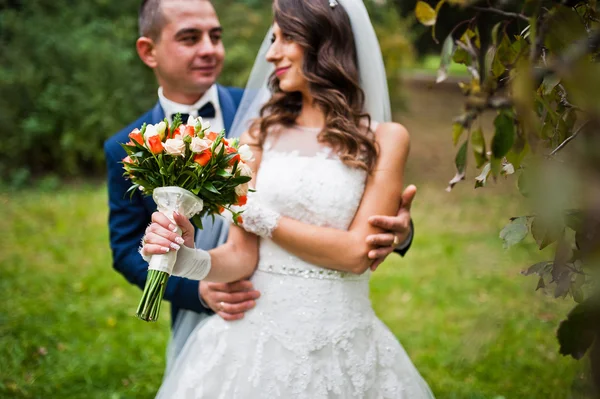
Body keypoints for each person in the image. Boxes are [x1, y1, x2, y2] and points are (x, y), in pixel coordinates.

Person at [142, 0, 433, 397]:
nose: (271, 52)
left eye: (286, 37)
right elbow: (241, 257)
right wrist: (184, 257)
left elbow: (354, 255)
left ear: (324, 41)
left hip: (343, 341)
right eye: (272, 38)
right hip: (254, 342)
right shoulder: (258, 136)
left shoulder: (386, 139)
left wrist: (259, 216)